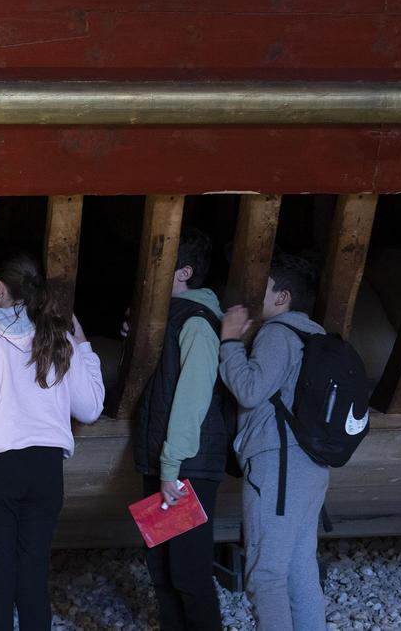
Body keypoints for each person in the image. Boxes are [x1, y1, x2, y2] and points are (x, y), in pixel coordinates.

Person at [0, 252, 105, 631]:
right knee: (33, 577)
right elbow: (91, 408)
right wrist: (83, 345)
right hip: (46, 472)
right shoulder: (57, 334)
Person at [219, 253, 328, 631]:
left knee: (265, 576)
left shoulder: (279, 333)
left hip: (278, 465)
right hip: (311, 465)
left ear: (282, 297)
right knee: (300, 572)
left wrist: (231, 342)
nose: (255, 296)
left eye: (263, 289)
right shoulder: (316, 335)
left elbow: (251, 390)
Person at [132, 227, 226, 631]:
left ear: (184, 272)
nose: (150, 273)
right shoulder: (168, 320)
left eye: (162, 265)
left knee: (188, 574)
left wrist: (171, 468)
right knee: (163, 573)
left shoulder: (199, 324)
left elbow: (192, 401)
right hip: (167, 465)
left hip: (185, 468)